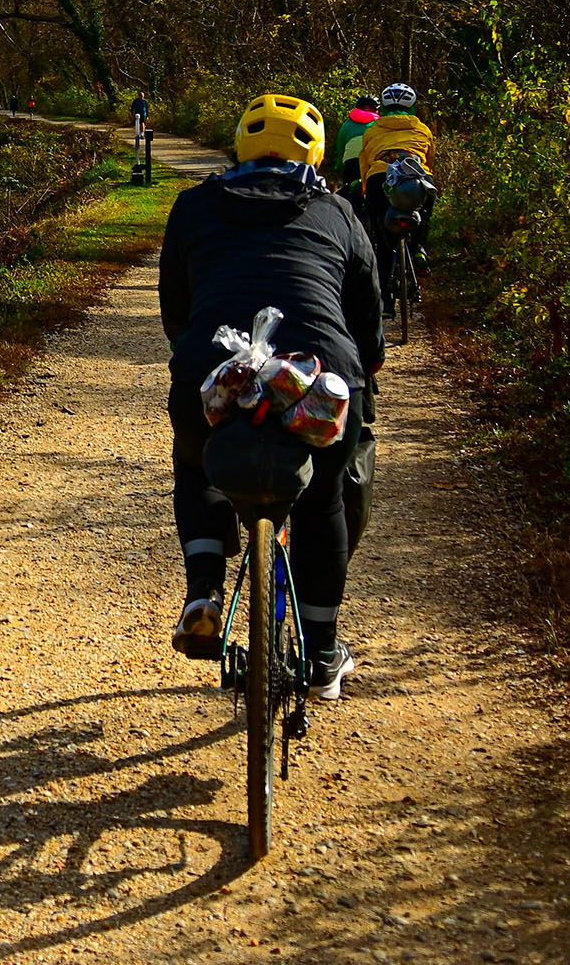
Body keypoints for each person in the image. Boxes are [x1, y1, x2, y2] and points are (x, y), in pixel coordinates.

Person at [159, 93, 385, 700]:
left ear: (241, 147)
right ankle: (323, 651)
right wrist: (368, 371)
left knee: (196, 462)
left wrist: (200, 366)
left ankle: (203, 592)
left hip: (217, 363)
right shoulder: (338, 211)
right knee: (324, 497)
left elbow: (176, 311)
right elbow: (368, 315)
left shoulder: (193, 206)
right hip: (322, 373)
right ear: (313, 152)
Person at [358, 83, 437, 272]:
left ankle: (377, 252)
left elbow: (365, 162)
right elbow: (430, 159)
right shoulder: (422, 129)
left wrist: (365, 190)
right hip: (418, 178)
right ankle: (419, 247)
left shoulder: (372, 129)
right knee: (424, 212)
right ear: (412, 107)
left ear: (383, 107)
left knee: (376, 219)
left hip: (380, 176)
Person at [335, 93, 380, 194]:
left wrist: (339, 167)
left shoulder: (347, 124)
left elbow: (340, 148)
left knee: (348, 191)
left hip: (350, 162)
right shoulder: (379, 124)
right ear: (376, 110)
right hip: (371, 162)